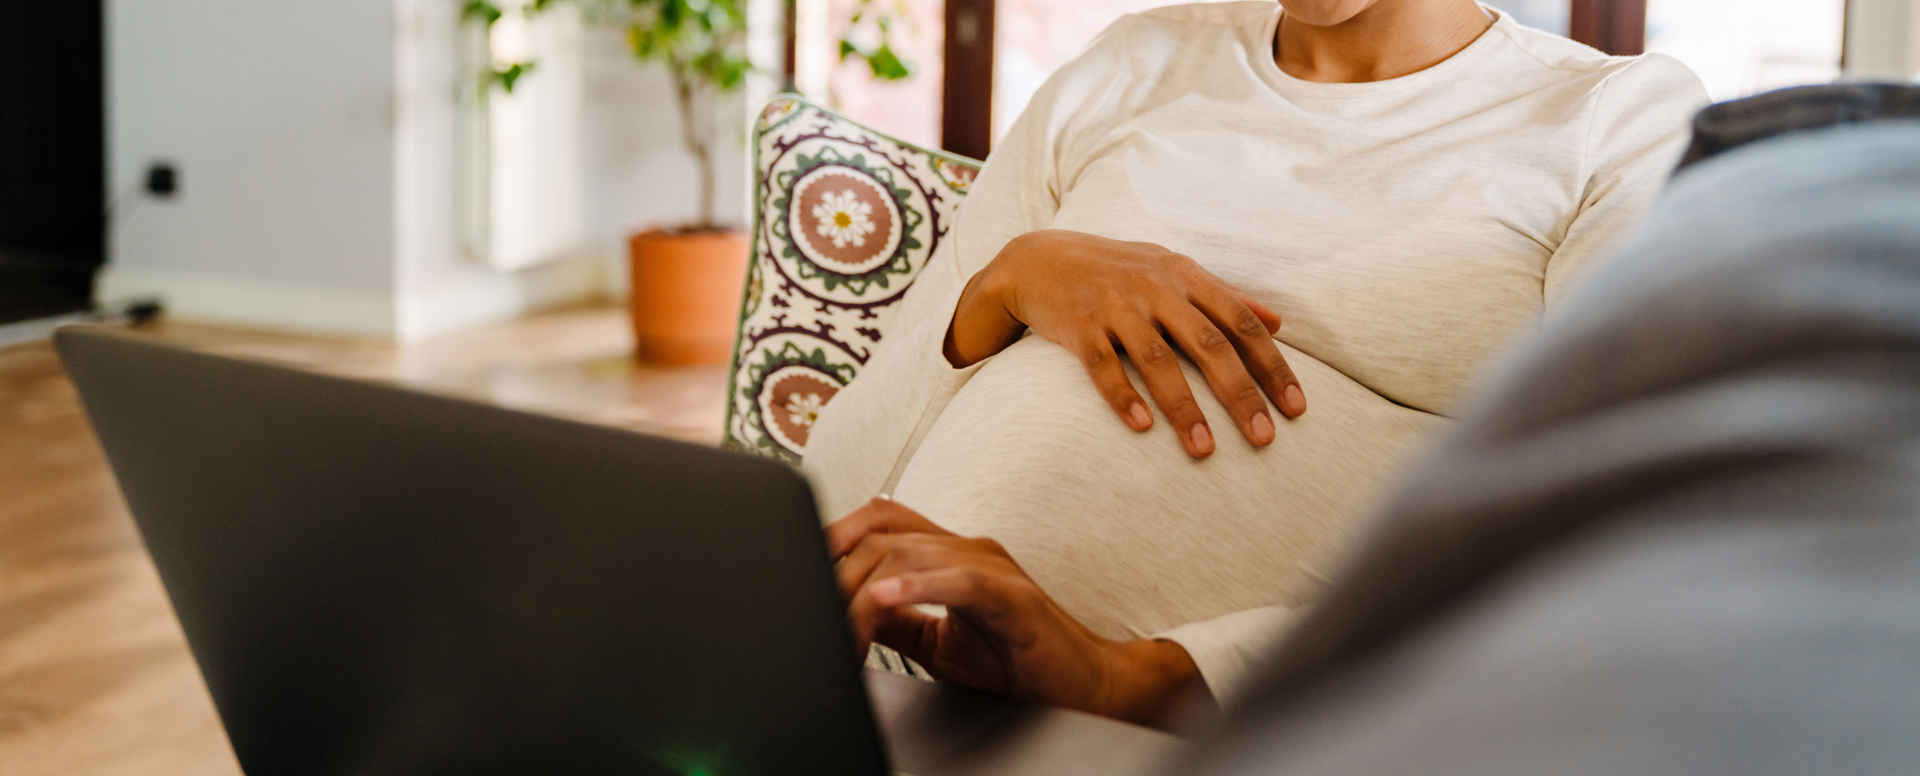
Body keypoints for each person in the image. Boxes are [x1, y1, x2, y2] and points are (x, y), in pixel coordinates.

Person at [803, 0, 1707, 725]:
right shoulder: (1131, 65)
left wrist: (1133, 677)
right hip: (890, 696)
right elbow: (837, 482)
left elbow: (1602, 548)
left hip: (1254, 735)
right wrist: (1005, 285)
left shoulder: (1616, 121)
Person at [1180, 111, 1920, 774]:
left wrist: (1182, 669)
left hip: (1247, 679)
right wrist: (1057, 265)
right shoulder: (1135, 62)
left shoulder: (1618, 119)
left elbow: (1621, 504)